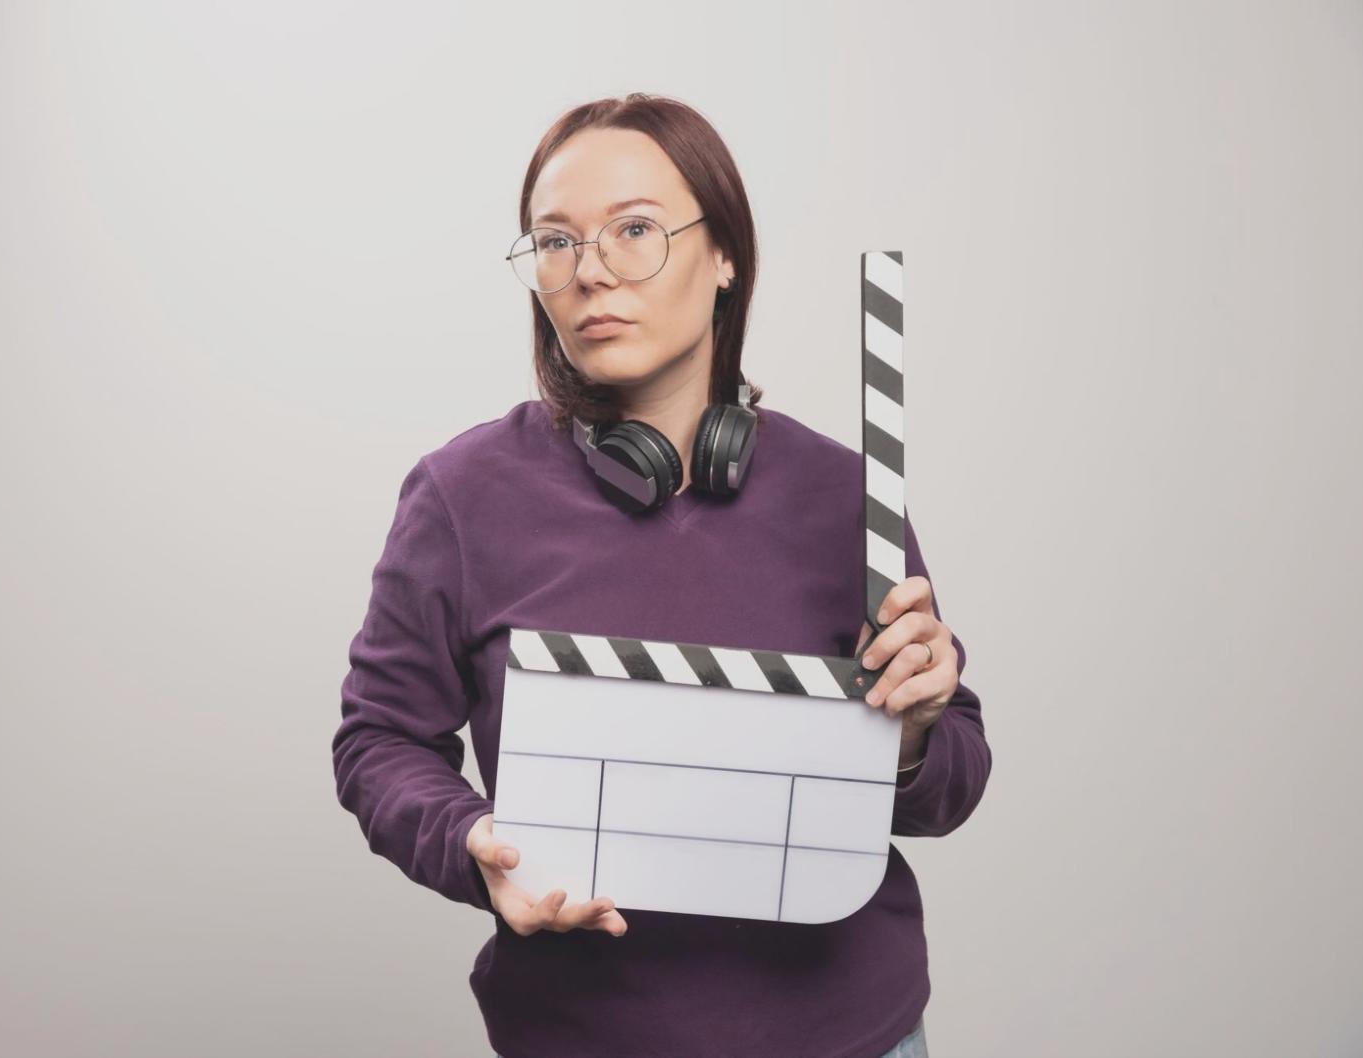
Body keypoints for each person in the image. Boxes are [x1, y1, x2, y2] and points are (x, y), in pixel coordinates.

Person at [330, 92, 991, 1058]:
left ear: (725, 255)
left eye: (633, 230)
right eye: (554, 242)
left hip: (856, 1035)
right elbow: (380, 743)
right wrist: (474, 845)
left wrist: (916, 729)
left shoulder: (850, 494)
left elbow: (948, 788)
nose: (590, 272)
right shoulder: (460, 497)